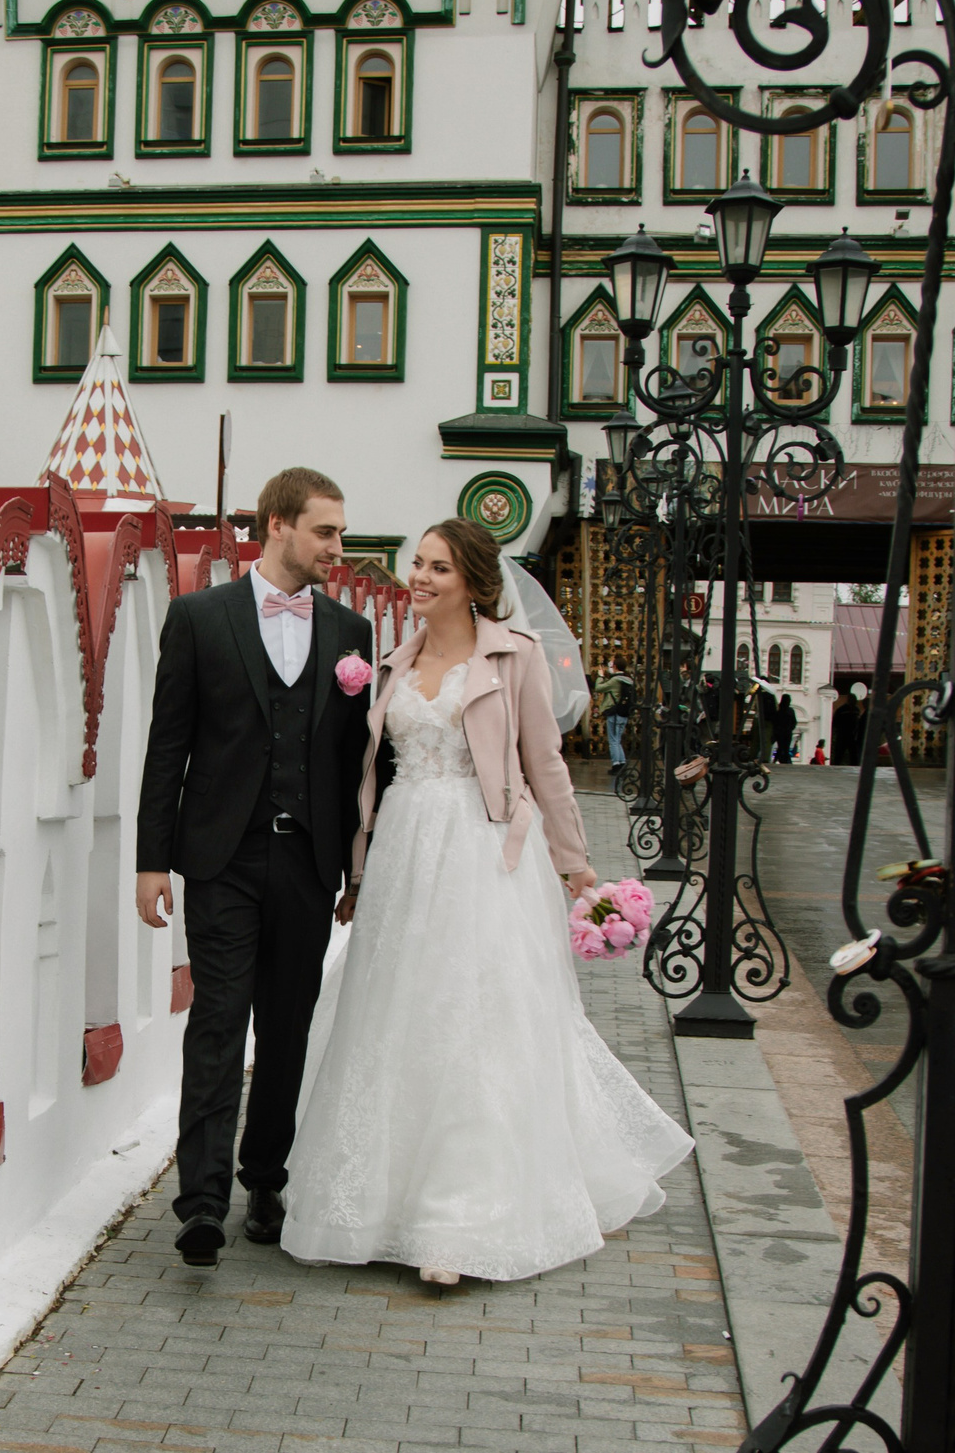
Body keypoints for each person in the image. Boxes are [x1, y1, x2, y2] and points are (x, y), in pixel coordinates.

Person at [280, 518, 693, 1286]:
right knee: (394, 1014)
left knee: (473, 1019)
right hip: (404, 854)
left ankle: (459, 1220)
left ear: (471, 579)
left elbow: (545, 765)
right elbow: (369, 775)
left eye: (438, 566)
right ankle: (376, 1204)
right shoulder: (391, 662)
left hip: (482, 852)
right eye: (417, 563)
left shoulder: (515, 656)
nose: (421, 577)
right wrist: (357, 877)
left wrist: (578, 870)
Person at [133, 468, 375, 1269]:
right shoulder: (199, 618)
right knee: (216, 1020)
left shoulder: (351, 633)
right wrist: (152, 860)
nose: (337, 548)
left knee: (286, 1029)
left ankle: (264, 1178)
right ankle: (201, 1200)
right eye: (325, 531)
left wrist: (354, 865)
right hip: (221, 857)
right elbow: (169, 743)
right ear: (277, 524)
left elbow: (353, 760)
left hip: (308, 860)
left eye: (339, 533)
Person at [593, 660, 634, 773]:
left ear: (615, 666)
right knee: (618, 739)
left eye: (611, 666)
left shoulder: (615, 680)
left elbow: (599, 688)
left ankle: (616, 765)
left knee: (613, 741)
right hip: (623, 713)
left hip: (614, 712)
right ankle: (622, 763)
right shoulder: (627, 679)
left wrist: (600, 676)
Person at [774, 693, 798, 764]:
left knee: (782, 747)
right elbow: (794, 721)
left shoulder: (779, 710)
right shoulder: (790, 710)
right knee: (785, 747)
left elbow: (775, 721)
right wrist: (790, 728)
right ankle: (785, 759)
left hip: (782, 731)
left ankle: (780, 759)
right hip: (786, 732)